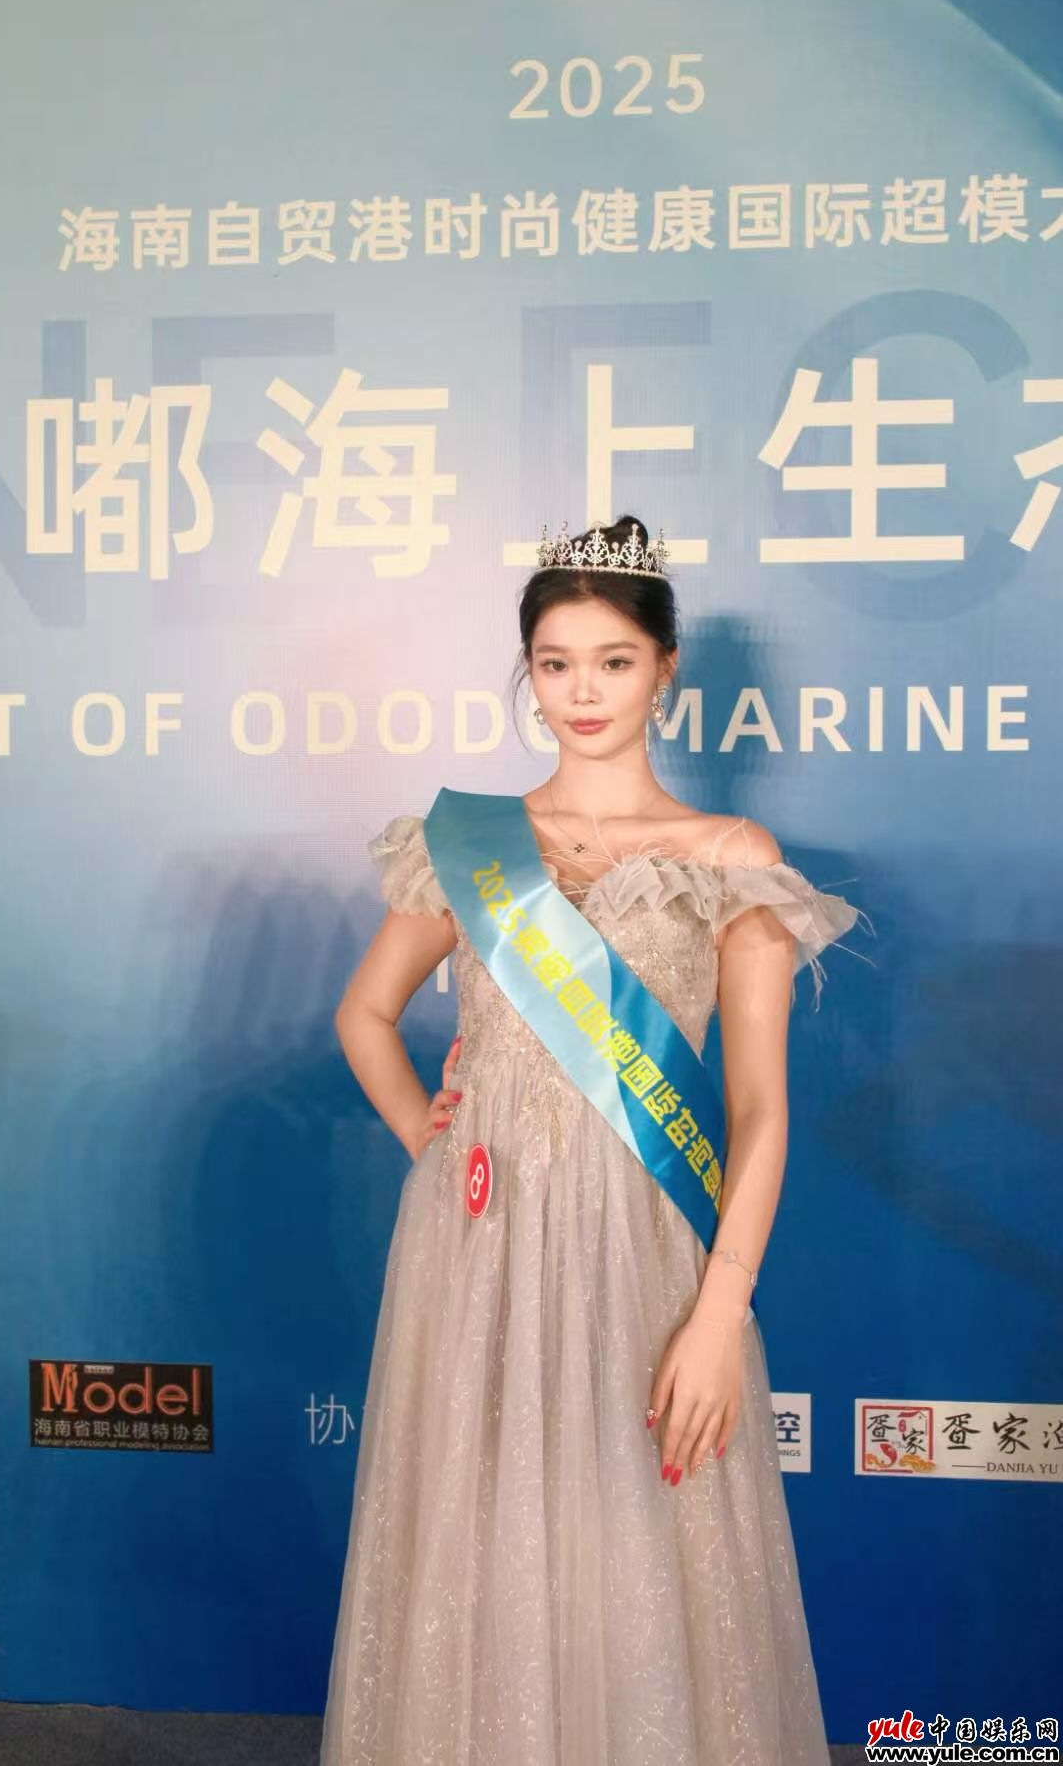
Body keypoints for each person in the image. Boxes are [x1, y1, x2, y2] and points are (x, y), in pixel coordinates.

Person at [320, 513, 865, 1766]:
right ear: (528, 671)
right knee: (480, 1530)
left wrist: (722, 1310)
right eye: (555, 661)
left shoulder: (729, 858)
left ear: (663, 668)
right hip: (479, 1240)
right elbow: (363, 1012)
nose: (582, 690)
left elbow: (760, 1110)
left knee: (639, 1534)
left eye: (613, 661)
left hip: (646, 1248)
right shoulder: (471, 846)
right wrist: (429, 1131)